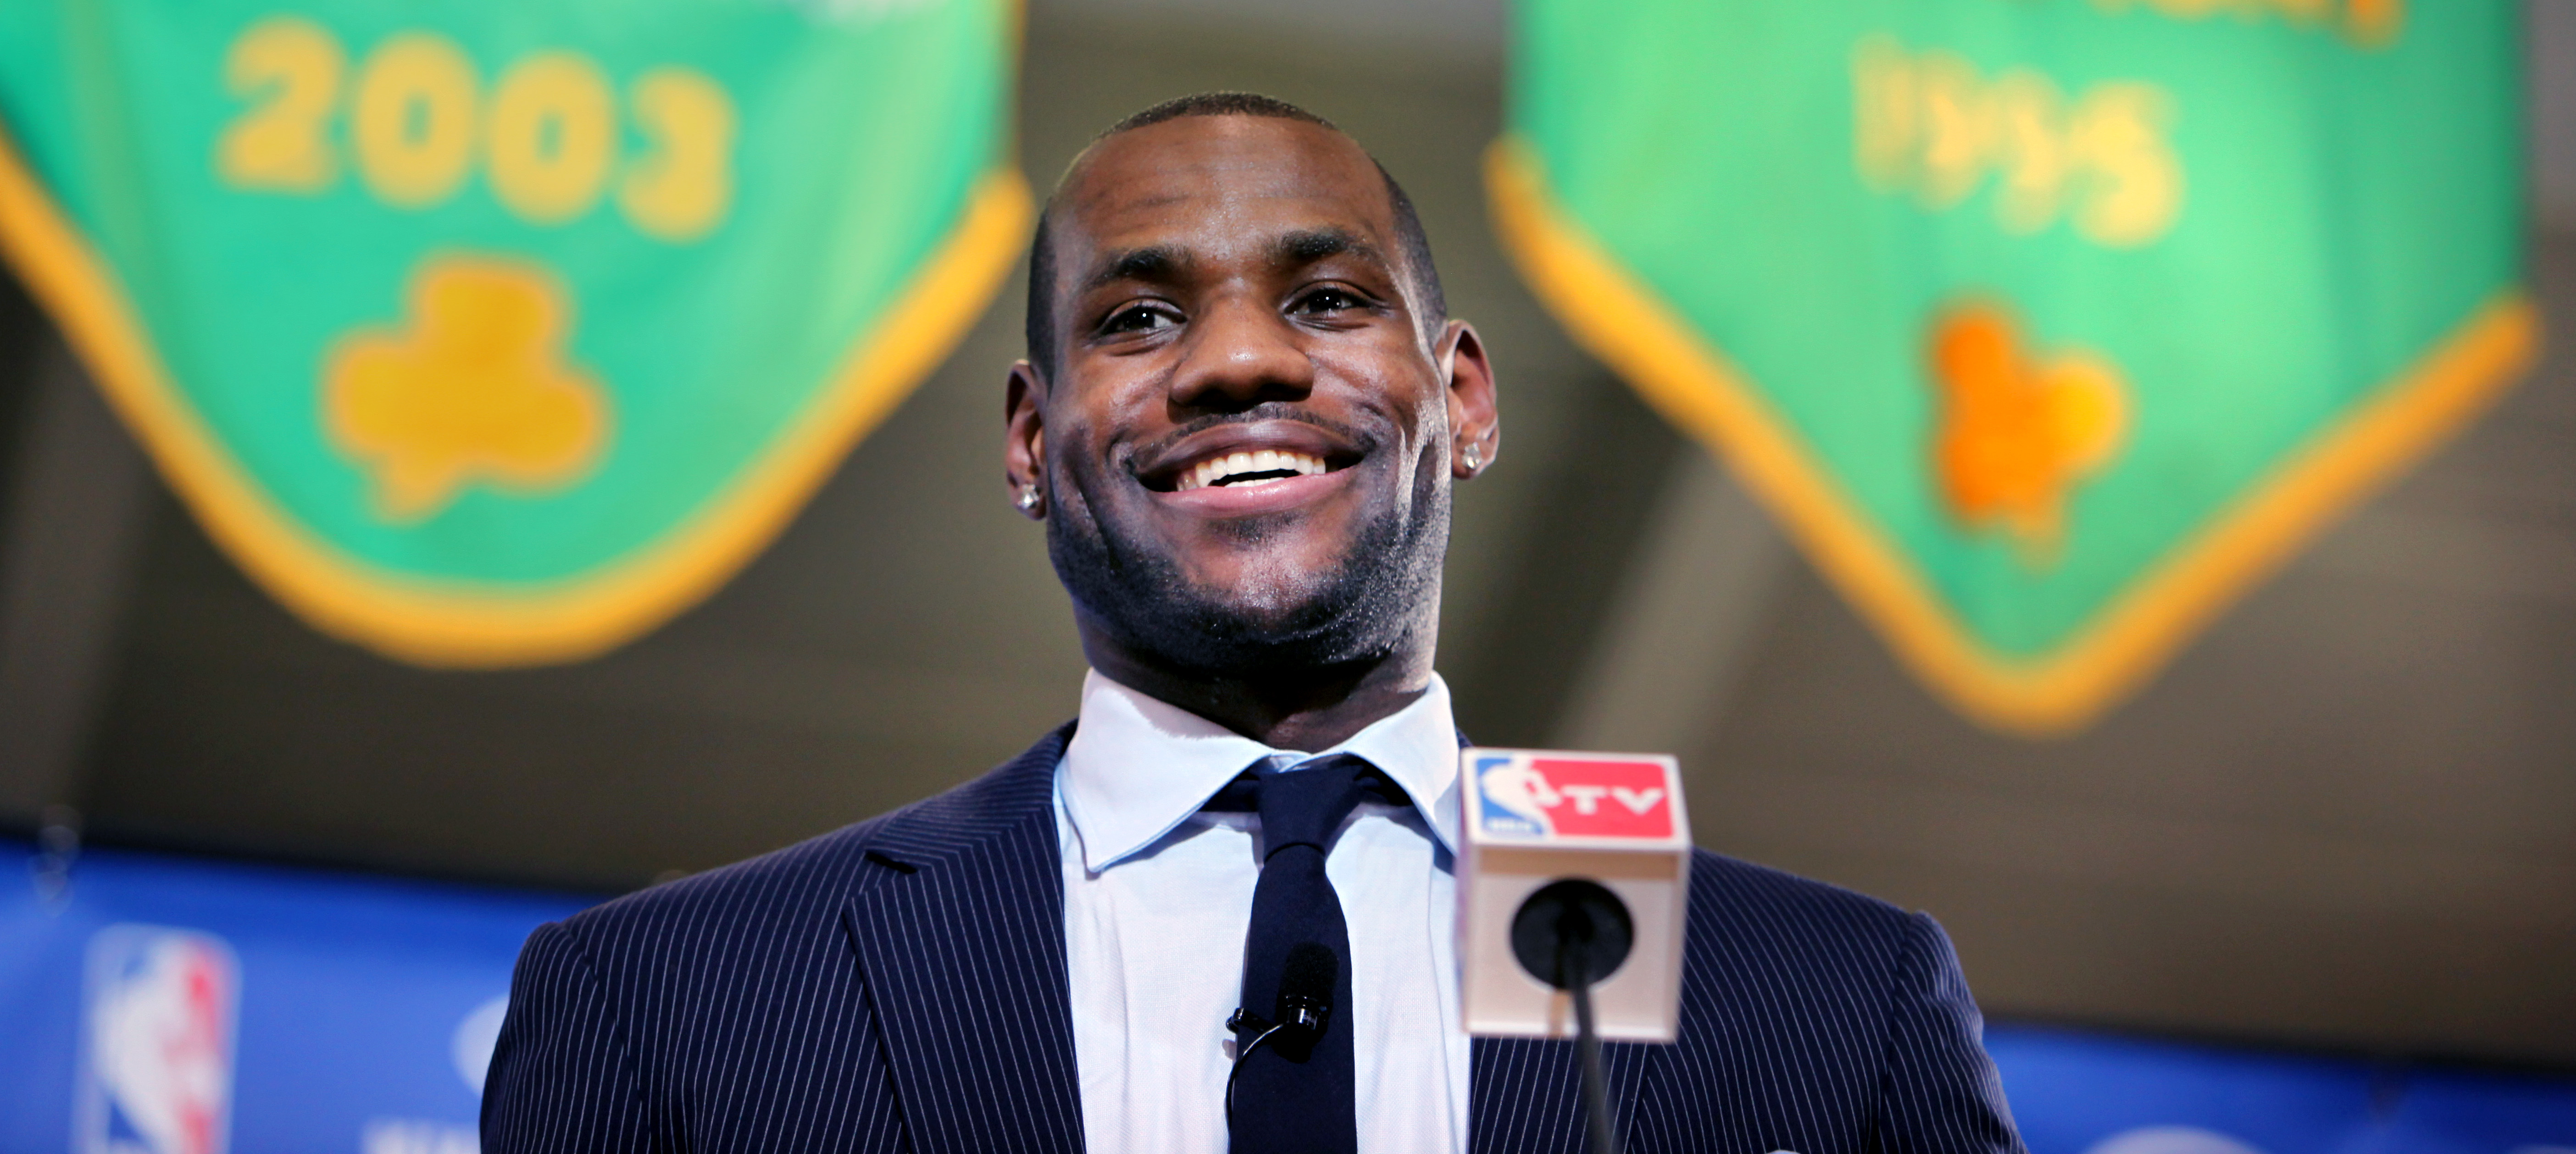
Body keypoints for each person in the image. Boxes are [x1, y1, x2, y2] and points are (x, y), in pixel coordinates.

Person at [482, 93, 2023, 1154]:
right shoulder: (677, 1010)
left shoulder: (1835, 1005)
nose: (1234, 362)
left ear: (1465, 400)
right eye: (1139, 318)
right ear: (1031, 440)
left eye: (1332, 300)